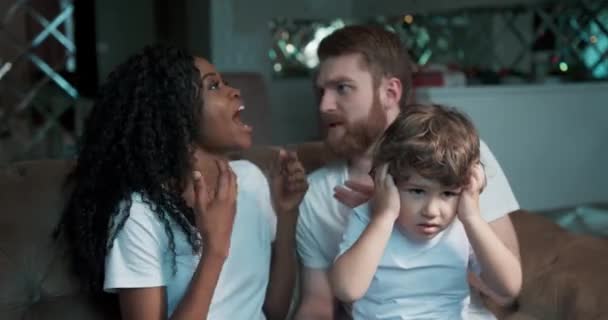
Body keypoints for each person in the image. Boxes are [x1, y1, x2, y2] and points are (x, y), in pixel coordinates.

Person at [56, 44, 308, 320]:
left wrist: (287, 214)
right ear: (175, 114)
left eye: (225, 82)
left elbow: (275, 311)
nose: (233, 91)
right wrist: (214, 249)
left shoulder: (250, 179)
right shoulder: (140, 214)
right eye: (213, 86)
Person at [295, 25, 521, 320]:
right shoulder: (318, 192)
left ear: (390, 92)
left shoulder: (459, 159)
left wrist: (422, 222)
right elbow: (319, 305)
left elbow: (506, 295)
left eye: (342, 88)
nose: (324, 106)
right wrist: (381, 218)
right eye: (321, 90)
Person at [330, 103, 522, 319]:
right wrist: (384, 217)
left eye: (448, 194)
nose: (431, 211)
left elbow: (509, 287)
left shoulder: (462, 225)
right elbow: (346, 290)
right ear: (387, 180)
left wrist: (472, 218)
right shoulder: (368, 218)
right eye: (417, 191)